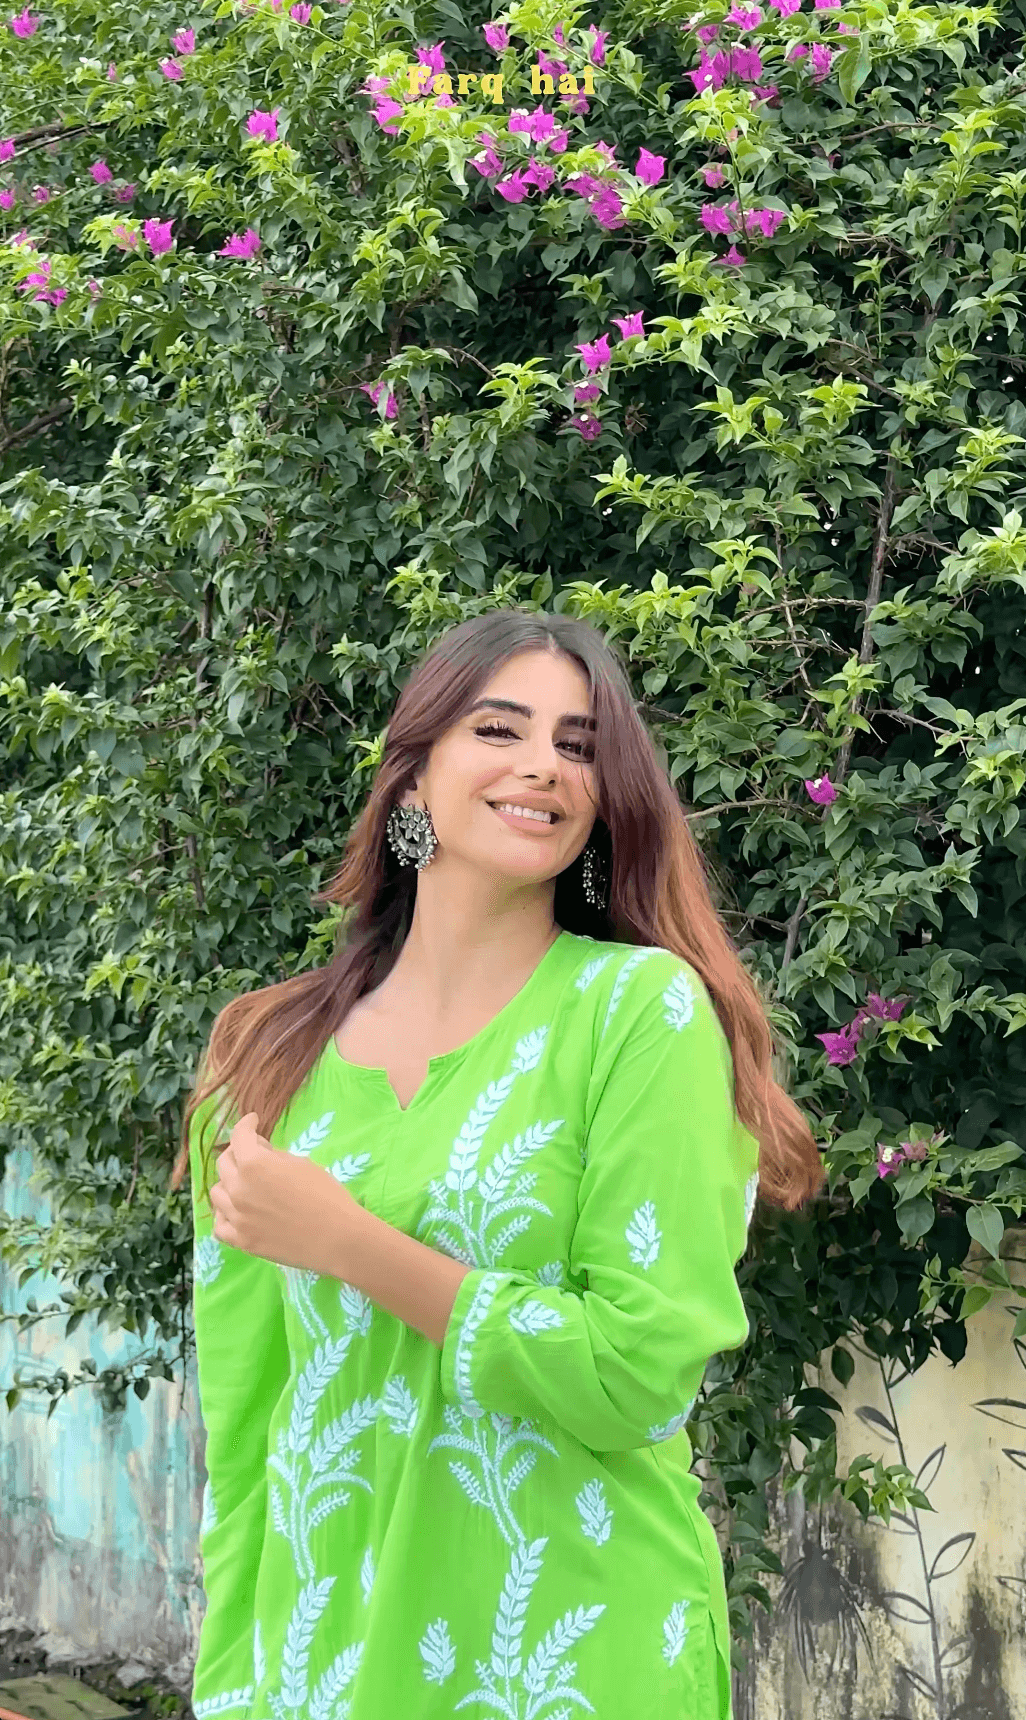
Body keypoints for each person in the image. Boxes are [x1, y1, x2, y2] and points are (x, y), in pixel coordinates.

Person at [169, 609, 822, 1720]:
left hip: (573, 1658)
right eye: (499, 729)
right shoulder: (268, 1054)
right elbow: (244, 1432)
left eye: (578, 744)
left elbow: (636, 1372)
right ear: (413, 774)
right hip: (330, 1660)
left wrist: (353, 1246)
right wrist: (231, 1683)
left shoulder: (638, 1014)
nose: (544, 766)